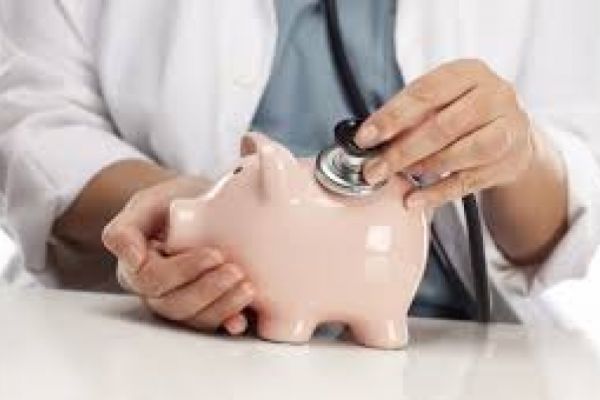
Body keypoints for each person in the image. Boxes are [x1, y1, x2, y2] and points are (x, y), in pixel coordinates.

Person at [0, 0, 599, 335]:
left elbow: (577, 179)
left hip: (447, 341)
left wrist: (513, 152)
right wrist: (181, 214)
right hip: (148, 333)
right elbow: (34, 117)